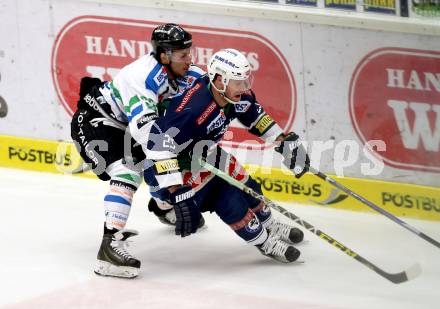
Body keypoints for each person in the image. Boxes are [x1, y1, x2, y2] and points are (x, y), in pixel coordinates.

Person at [143, 48, 311, 263]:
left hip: (205, 152)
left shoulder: (232, 94)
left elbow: (254, 115)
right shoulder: (192, 110)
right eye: (238, 82)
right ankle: (264, 242)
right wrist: (175, 189)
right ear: (220, 81)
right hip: (178, 166)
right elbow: (158, 145)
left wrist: (283, 141)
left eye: (245, 81)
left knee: (247, 183)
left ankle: (269, 223)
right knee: (229, 199)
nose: (244, 87)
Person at [70, 23, 206, 278]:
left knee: (162, 158)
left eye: (190, 53)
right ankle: (109, 248)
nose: (190, 60)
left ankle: (162, 206)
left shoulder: (179, 71)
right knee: (128, 170)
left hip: (123, 125)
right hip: (95, 121)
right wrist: (177, 189)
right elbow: (149, 136)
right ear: (164, 55)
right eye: (183, 55)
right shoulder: (142, 78)